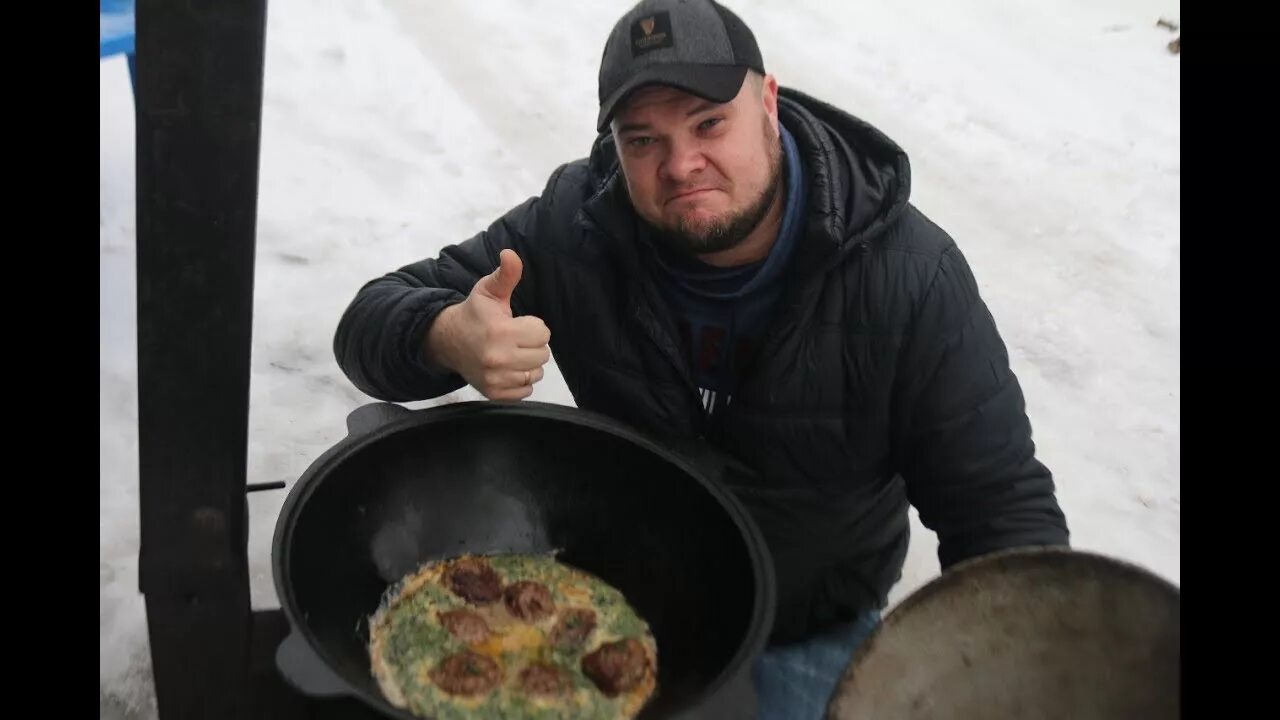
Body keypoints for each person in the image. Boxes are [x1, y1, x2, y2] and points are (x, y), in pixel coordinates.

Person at [333, 0, 1069, 716]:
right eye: (642, 140)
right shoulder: (579, 227)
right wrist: (444, 336)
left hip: (805, 629)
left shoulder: (908, 277)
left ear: (770, 103)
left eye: (709, 123)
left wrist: (1015, 678)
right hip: (605, 605)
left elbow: (1001, 510)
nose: (681, 164)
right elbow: (368, 321)